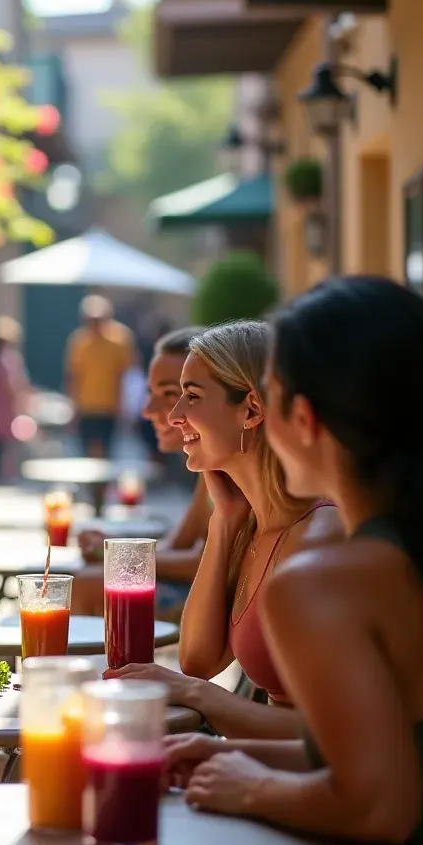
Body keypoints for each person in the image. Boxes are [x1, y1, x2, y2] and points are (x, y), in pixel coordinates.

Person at [164, 277, 423, 845]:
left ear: (299, 417)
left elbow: (377, 805)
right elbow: (408, 751)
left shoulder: (323, 581)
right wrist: (236, 751)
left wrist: (247, 783)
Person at [107, 320, 342, 739]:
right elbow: (198, 659)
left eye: (191, 397)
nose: (175, 415)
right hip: (261, 771)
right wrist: (225, 520)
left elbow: (337, 740)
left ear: (251, 409)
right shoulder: (252, 524)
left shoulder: (316, 539)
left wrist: (198, 696)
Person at [78, 326, 210, 620]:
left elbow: (209, 563)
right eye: (151, 392)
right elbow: (178, 546)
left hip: (226, 607)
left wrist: (115, 554)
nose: (148, 409)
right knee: (88, 577)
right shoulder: (208, 472)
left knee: (86, 584)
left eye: (171, 393)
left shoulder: (227, 471)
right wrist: (114, 548)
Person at [64, 294, 135, 458]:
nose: (94, 324)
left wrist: (126, 407)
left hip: (109, 408)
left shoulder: (119, 340)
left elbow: (126, 376)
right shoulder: (79, 342)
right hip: (85, 407)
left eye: (98, 319)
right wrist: (72, 408)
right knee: (87, 454)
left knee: (106, 454)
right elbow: (73, 376)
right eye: (90, 320)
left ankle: (104, 485)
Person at [0, 316, 30, 483]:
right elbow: (13, 385)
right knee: (3, 445)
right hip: (4, 409)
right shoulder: (6, 361)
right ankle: (3, 475)